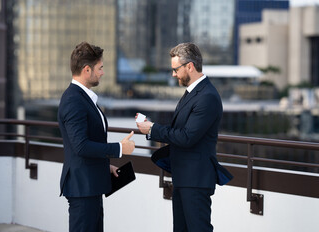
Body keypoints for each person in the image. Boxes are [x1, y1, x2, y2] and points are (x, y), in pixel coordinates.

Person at [136, 42, 229, 232]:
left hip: (196, 181)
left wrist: (153, 129)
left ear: (190, 66)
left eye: (175, 69)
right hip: (184, 177)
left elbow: (187, 137)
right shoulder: (192, 93)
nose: (173, 74)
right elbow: (179, 129)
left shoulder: (207, 96)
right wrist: (152, 127)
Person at [58, 42, 135, 232]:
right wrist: (119, 148)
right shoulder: (73, 100)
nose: (102, 72)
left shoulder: (83, 98)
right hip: (82, 187)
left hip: (90, 184)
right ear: (86, 70)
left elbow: (84, 143)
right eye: (100, 68)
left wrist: (104, 165)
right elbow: (81, 146)